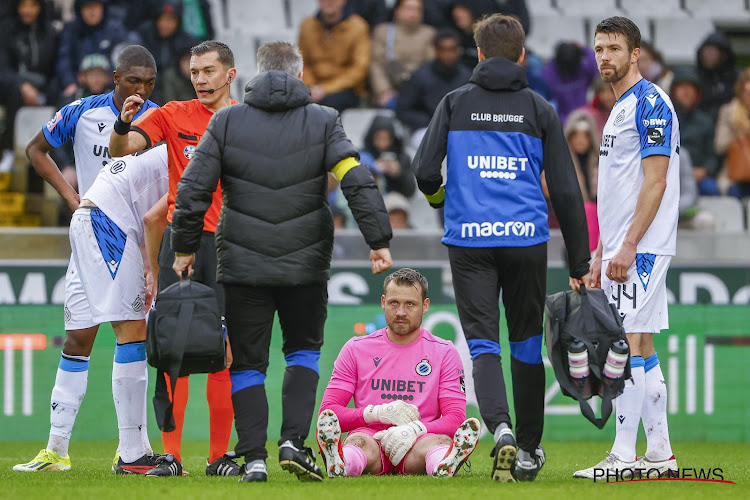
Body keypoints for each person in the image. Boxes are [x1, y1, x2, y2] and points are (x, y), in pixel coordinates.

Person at [169, 41, 394, 483]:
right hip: (305, 266)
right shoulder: (325, 121)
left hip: (241, 265)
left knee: (248, 364)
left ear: (257, 72)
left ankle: (253, 458)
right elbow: (356, 180)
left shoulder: (226, 121)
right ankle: (293, 442)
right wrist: (378, 238)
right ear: (300, 72)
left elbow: (193, 188)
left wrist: (184, 247)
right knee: (304, 354)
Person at [412, 14, 591, 483]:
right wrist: (579, 261)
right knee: (527, 342)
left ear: (478, 53)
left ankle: (502, 429)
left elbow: (425, 170)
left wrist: (442, 199)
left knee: (484, 344)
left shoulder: (454, 103)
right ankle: (529, 450)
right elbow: (568, 193)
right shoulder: (539, 108)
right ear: (522, 56)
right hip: (526, 241)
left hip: (469, 240)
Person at [14, 44, 158, 473]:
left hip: (129, 238)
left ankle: (131, 449)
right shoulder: (81, 112)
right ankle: (58, 450)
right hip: (89, 233)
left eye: (149, 83)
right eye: (134, 81)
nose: (142, 89)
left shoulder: (156, 119)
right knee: (79, 339)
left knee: (130, 333)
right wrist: (73, 199)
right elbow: (35, 150)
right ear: (116, 79)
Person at [108, 40, 239, 477]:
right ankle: (171, 456)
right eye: (194, 72)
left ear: (229, 75)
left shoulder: (246, 121)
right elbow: (121, 149)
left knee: (223, 352)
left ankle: (219, 457)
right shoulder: (172, 115)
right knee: (172, 351)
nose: (200, 79)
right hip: (181, 243)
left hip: (230, 247)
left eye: (208, 71)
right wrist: (123, 121)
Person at [574, 16, 680, 479]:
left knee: (625, 343)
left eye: (614, 48)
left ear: (636, 53)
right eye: (599, 49)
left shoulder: (651, 103)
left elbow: (655, 182)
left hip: (643, 247)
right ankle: (659, 455)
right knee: (644, 344)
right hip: (623, 249)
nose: (605, 57)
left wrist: (630, 245)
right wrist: (601, 250)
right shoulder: (617, 107)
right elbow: (616, 190)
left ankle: (622, 456)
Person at [316, 268, 480, 478]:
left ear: (425, 306)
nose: (401, 312)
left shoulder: (444, 351)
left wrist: (414, 430)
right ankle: (341, 464)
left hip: (420, 440)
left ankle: (442, 464)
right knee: (359, 442)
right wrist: (374, 413)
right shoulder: (355, 348)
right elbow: (328, 414)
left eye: (410, 304)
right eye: (394, 303)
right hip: (371, 435)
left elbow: (455, 419)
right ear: (383, 302)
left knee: (437, 443)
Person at [0, 0, 60, 171]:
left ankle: (56, 158)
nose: (27, 10)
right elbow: (3, 68)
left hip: (43, 86)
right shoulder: (7, 29)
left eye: (33, 5)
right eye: (23, 5)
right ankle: (10, 150)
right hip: (13, 86)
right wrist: (22, 84)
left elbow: (54, 68)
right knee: (13, 92)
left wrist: (43, 90)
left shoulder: (50, 31)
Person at [396, 28, 472, 149]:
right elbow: (402, 110)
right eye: (444, 50)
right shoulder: (420, 76)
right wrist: (431, 121)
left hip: (459, 129)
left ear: (459, 50)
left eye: (453, 49)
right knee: (430, 143)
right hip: (426, 129)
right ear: (436, 50)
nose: (448, 54)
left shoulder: (467, 76)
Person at [298, 0, 370, 112]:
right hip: (313, 86)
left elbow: (359, 69)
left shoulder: (358, 26)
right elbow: (302, 62)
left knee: (329, 104)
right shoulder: (307, 26)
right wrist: (311, 86)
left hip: (345, 88)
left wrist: (326, 89)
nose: (329, 2)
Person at [56, 0, 136, 101]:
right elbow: (64, 59)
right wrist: (69, 82)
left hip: (111, 85)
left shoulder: (116, 30)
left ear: (103, 8)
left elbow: (123, 62)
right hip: (79, 85)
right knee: (66, 98)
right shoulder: (70, 30)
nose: (92, 12)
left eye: (96, 7)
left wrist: (109, 80)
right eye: (87, 7)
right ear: (80, 10)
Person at [369, 0, 436, 108]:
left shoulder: (429, 34)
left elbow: (431, 66)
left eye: (417, 9)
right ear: (397, 10)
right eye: (409, 9)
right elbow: (376, 66)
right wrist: (383, 90)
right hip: (390, 89)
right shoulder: (383, 32)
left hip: (419, 91)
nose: (413, 13)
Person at [135, 0, 199, 104]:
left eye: (170, 20)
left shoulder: (188, 44)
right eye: (162, 19)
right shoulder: (144, 38)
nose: (165, 24)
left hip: (179, 96)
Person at [670, 68, 721, 197]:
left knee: (711, 189)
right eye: (681, 87)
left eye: (690, 88)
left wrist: (704, 170)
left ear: (697, 93)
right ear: (673, 91)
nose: (686, 92)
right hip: (668, 173)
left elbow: (713, 155)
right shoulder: (663, 119)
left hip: (697, 174)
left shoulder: (706, 121)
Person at [541, 41, 600, 124]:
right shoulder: (548, 74)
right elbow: (546, 106)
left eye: (570, 69)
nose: (567, 72)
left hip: (584, 119)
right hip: (561, 123)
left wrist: (585, 50)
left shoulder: (584, 68)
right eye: (564, 69)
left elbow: (599, 70)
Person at [360, 115, 417, 197]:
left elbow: (410, 191)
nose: (382, 143)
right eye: (378, 138)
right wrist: (373, 169)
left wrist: (399, 173)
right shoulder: (364, 156)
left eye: (386, 139)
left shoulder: (402, 158)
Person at [714, 68, 750, 199]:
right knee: (733, 192)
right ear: (741, 91)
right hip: (736, 175)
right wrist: (740, 133)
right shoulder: (728, 111)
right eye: (747, 92)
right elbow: (719, 146)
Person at [696, 31, 739, 121]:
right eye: (705, 52)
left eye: (712, 52)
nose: (707, 56)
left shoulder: (737, 78)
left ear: (724, 55)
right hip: (701, 127)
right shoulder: (695, 77)